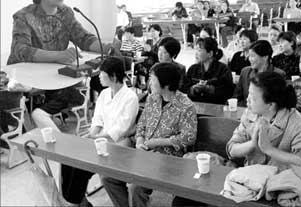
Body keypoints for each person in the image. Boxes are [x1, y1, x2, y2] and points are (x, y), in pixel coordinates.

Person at [7, 0, 118, 131]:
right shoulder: (23, 16)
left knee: (78, 88)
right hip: (23, 77)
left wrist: (107, 47)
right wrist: (58, 56)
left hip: (54, 76)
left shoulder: (66, 13)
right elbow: (20, 50)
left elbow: (83, 38)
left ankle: (44, 120)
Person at [101, 62, 197, 207]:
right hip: (143, 151)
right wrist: (139, 140)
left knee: (136, 187)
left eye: (152, 79)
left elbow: (189, 137)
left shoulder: (186, 105)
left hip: (167, 157)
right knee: (108, 177)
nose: (149, 82)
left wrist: (157, 142)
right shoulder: (152, 98)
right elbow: (142, 124)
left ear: (166, 84)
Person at [61, 57, 139, 206]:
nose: (99, 77)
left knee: (80, 166)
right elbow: (98, 119)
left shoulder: (130, 97)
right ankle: (76, 201)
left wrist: (95, 137)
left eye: (102, 73)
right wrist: (93, 134)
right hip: (101, 139)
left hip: (120, 142)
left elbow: (121, 129)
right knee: (68, 160)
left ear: (113, 76)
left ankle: (75, 203)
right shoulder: (104, 94)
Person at [227, 71, 301, 170]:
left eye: (253, 98)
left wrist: (269, 149)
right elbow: (232, 149)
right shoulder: (250, 114)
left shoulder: (294, 121)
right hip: (252, 176)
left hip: (280, 180)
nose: (247, 100)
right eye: (249, 94)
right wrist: (253, 144)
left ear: (270, 105)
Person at [234, 40, 285, 107]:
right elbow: (237, 97)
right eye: (249, 56)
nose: (250, 59)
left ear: (265, 57)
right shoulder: (245, 72)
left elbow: (280, 102)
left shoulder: (278, 74)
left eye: (252, 56)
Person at [185, 37, 234, 104]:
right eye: (196, 50)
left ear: (210, 53)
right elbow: (185, 89)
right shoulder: (192, 69)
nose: (196, 53)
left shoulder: (223, 69)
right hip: (196, 108)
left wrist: (208, 88)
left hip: (216, 109)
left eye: (199, 50)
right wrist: (194, 89)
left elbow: (227, 92)